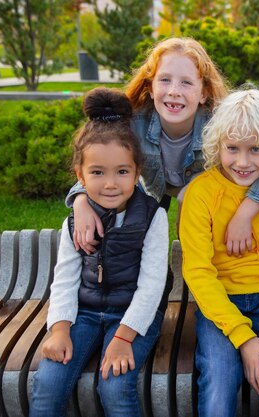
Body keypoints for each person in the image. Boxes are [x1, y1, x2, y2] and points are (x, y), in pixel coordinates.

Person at [66, 37, 259, 255]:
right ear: (150, 88)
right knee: (120, 208)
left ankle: (195, 262)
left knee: (194, 215)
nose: (174, 90)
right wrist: (81, 198)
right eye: (164, 80)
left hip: (201, 192)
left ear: (204, 93)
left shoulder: (223, 126)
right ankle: (120, 265)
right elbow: (96, 160)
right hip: (151, 188)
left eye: (186, 82)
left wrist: (245, 214)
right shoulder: (134, 123)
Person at [30, 88, 168, 417]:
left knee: (115, 385)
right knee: (48, 382)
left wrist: (124, 336)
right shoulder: (77, 220)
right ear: (80, 176)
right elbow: (63, 279)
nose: (110, 183)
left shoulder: (152, 217)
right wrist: (60, 328)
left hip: (134, 317)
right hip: (84, 314)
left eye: (122, 172)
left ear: (137, 174)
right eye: (97, 172)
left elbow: (152, 286)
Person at [179, 89, 259, 417]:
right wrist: (243, 337)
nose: (243, 162)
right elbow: (198, 272)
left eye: (256, 150)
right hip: (219, 299)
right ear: (217, 145)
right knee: (218, 377)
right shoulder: (202, 193)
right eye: (232, 149)